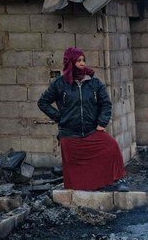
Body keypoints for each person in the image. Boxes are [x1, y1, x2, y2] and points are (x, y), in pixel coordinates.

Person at [38, 47, 127, 191]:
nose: (82, 63)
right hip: (69, 134)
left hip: (91, 131)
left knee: (111, 147)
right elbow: (42, 102)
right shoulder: (59, 84)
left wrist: (101, 123)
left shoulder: (93, 83)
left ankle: (117, 181)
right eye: (78, 60)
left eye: (83, 60)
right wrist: (60, 117)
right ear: (71, 62)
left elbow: (106, 104)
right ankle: (80, 194)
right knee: (75, 176)